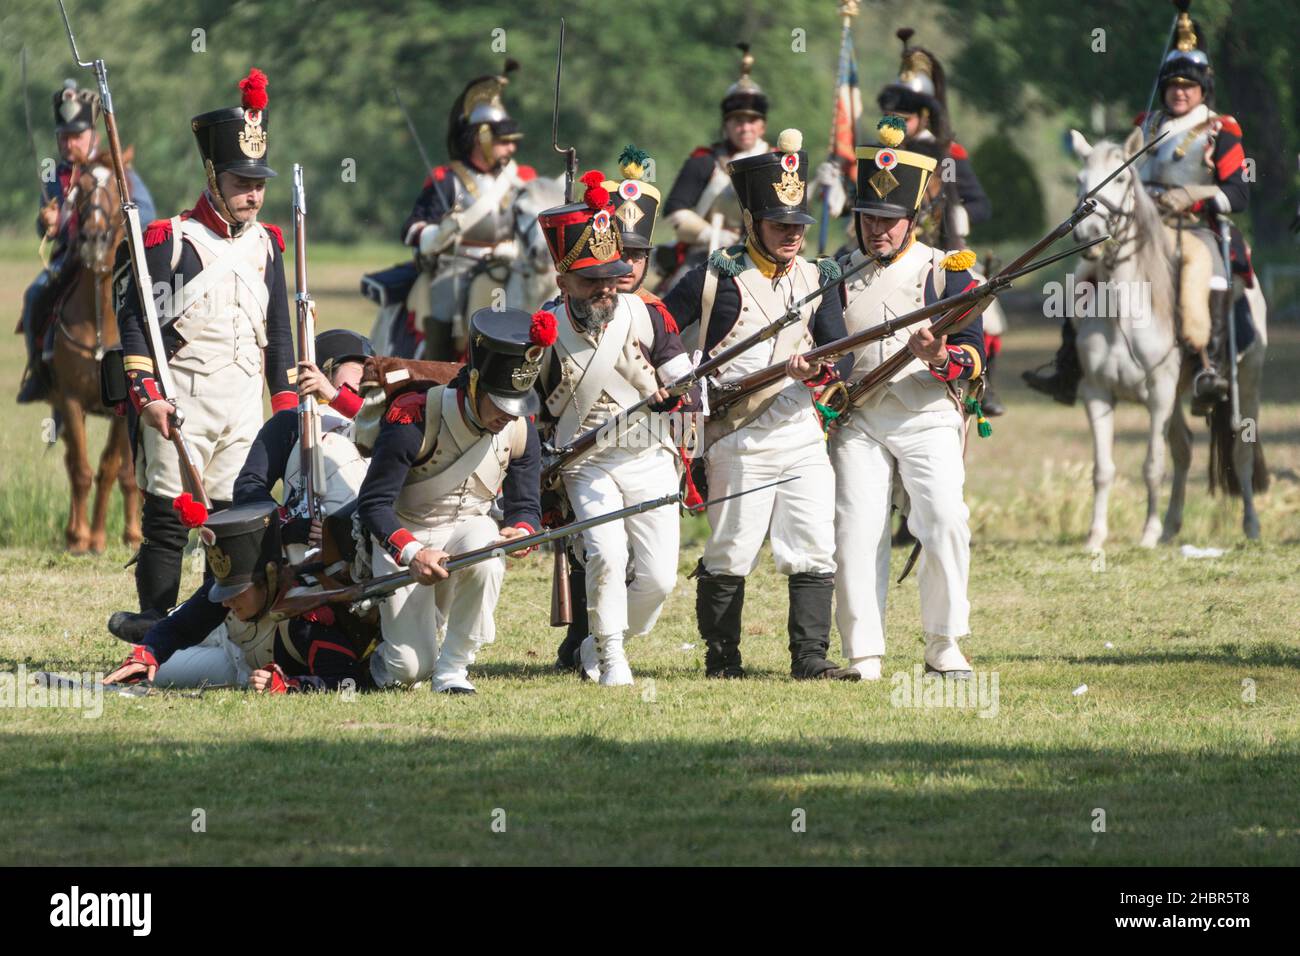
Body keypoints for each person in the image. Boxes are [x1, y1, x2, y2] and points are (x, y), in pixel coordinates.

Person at [662, 128, 858, 682]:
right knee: (730, 549)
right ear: (752, 222)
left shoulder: (820, 277)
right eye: (780, 225)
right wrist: (685, 384)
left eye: (798, 226)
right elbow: (661, 333)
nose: (793, 235)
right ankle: (722, 659)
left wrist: (820, 369)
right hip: (737, 435)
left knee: (814, 544)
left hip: (799, 429)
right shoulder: (713, 277)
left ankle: (811, 659)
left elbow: (840, 354)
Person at [110, 67, 296, 631]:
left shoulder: (269, 245)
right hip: (179, 398)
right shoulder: (170, 241)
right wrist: (148, 397)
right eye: (242, 181)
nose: (253, 192)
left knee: (234, 520)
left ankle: (216, 625)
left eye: (259, 181)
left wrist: (284, 409)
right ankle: (154, 622)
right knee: (168, 518)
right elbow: (135, 322)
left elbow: (280, 332)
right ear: (214, 175)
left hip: (242, 404)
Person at [1024, 2, 1253, 415]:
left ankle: (1207, 365)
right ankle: (1068, 365)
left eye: (1189, 84)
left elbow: (1238, 194)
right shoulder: (1144, 126)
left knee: (1203, 270)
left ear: (1204, 89)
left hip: (1194, 226)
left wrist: (1194, 195)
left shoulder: (1222, 129)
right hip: (1139, 226)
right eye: (1173, 84)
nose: (1179, 91)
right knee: (1084, 273)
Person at [830, 116, 985, 681]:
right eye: (869, 218)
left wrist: (939, 357)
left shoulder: (948, 271)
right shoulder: (836, 273)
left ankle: (944, 642)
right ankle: (863, 653)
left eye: (889, 220)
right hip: (861, 419)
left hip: (925, 414)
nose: (878, 230)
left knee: (945, 518)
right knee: (856, 529)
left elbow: (973, 356)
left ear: (911, 220)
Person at [535, 166, 696, 686]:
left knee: (659, 579)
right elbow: (528, 405)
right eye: (591, 281)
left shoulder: (646, 315)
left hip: (648, 455)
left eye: (610, 278)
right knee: (606, 554)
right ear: (563, 281)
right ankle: (609, 656)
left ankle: (602, 639)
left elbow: (680, 376)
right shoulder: (543, 327)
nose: (606, 290)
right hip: (585, 464)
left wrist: (678, 395)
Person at [356, 308, 545, 693]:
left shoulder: (520, 427)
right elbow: (374, 503)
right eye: (500, 404)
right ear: (474, 383)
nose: (507, 418)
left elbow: (526, 505)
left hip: (466, 531)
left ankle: (454, 668)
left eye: (515, 407)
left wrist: (521, 532)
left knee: (488, 547)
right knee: (406, 670)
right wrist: (411, 553)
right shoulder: (415, 416)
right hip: (404, 536)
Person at [102, 502, 368, 693]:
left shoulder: (305, 619)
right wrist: (147, 655)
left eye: (235, 593)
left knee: (163, 677)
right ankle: (144, 633)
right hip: (232, 647)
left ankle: (143, 628)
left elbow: (349, 683)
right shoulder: (227, 589)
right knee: (153, 673)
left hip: (240, 672)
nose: (225, 601)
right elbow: (181, 627)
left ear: (269, 578)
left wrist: (291, 686)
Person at [17, 79, 154, 404]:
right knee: (35, 294)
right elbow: (46, 225)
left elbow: (146, 214)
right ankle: (40, 370)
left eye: (75, 136)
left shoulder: (116, 168)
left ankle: (157, 368)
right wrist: (48, 222)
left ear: (92, 134)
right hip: (72, 257)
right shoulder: (55, 177)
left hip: (117, 258)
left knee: (155, 303)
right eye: (63, 137)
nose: (68, 144)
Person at [398, 61, 538, 361]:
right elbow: (411, 229)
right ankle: (435, 370)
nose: (511, 149)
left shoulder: (521, 179)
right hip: (458, 264)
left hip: (513, 263)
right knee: (442, 305)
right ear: (481, 139)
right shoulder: (446, 180)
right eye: (503, 143)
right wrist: (438, 233)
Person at [660, 43, 772, 290]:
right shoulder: (704, 160)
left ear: (762, 126)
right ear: (726, 126)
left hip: (769, 256)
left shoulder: (776, 162)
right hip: (707, 253)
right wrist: (712, 235)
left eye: (752, 121)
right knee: (679, 294)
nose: (745, 127)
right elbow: (675, 211)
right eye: (738, 121)